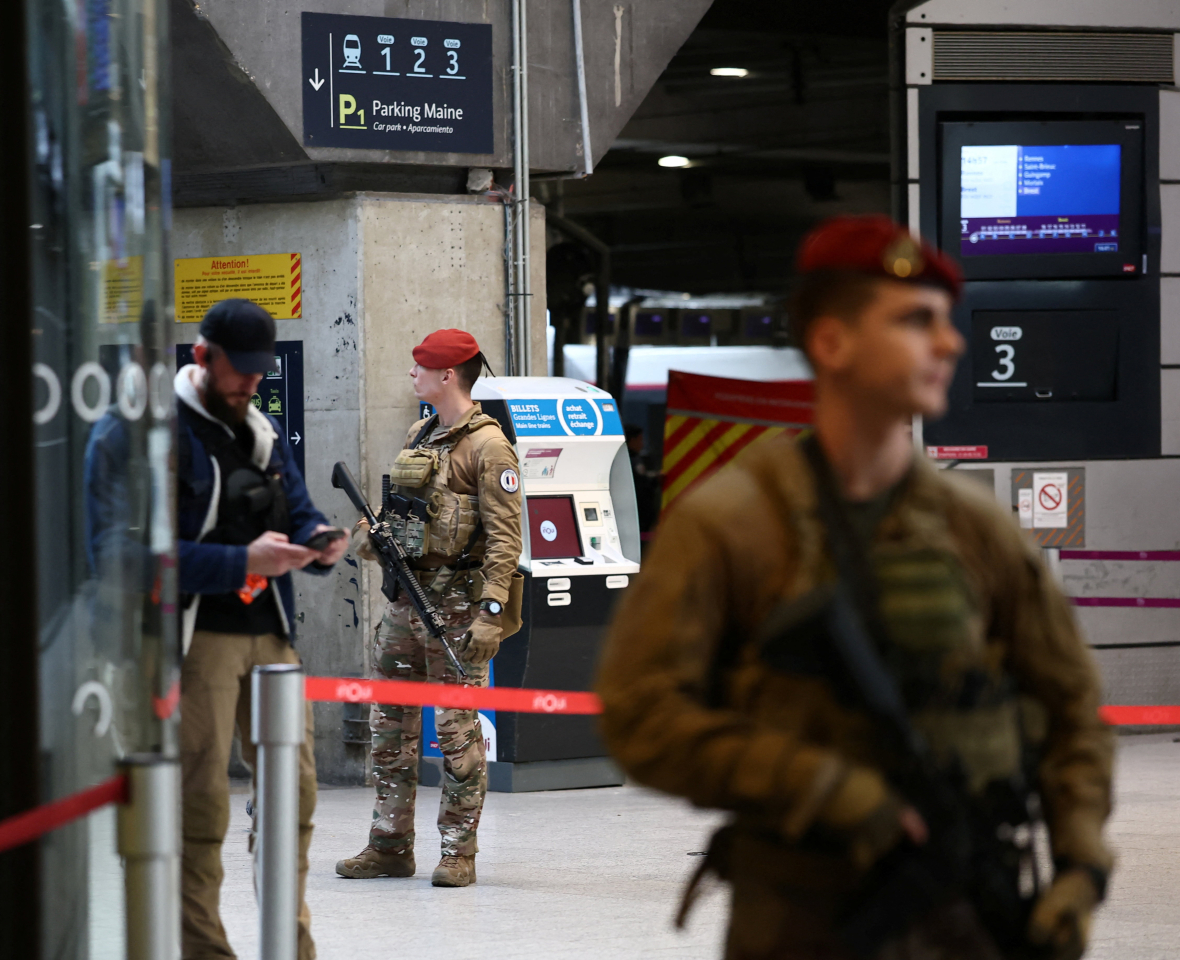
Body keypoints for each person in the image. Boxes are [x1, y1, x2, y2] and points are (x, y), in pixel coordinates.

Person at [596, 216, 1114, 960]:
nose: (950, 343)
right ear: (832, 342)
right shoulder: (730, 524)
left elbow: (1072, 709)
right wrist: (818, 786)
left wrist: (1081, 861)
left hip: (970, 912)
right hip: (799, 922)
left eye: (946, 321)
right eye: (916, 321)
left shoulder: (977, 530)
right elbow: (640, 714)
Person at [175, 299, 349, 960]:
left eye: (259, 371)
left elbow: (298, 510)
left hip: (271, 634)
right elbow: (125, 556)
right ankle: (203, 951)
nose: (250, 382)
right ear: (203, 356)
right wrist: (240, 562)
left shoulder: (263, 430)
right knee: (200, 804)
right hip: (197, 639)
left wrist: (319, 542)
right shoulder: (153, 435)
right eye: (238, 370)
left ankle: (290, 947)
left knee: (292, 799)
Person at [336, 328, 522, 888]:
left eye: (421, 367)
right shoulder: (421, 433)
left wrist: (492, 613)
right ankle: (389, 846)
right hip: (405, 602)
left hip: (458, 612)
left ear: (448, 375)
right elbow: (402, 511)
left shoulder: (489, 447)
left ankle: (457, 853)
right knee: (389, 728)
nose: (412, 374)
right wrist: (373, 533)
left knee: (456, 731)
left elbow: (505, 540)